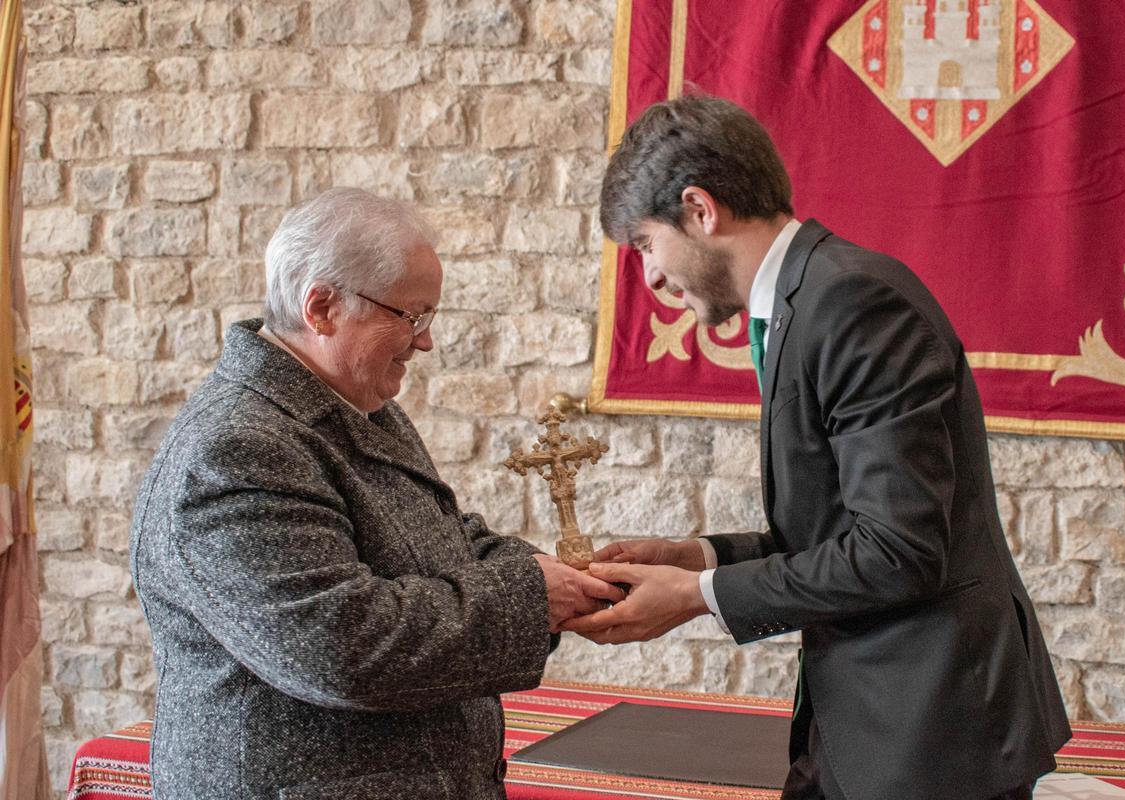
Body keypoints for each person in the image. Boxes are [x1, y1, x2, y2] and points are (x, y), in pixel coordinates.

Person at [562, 95, 1071, 800]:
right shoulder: (807, 300)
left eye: (647, 244)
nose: (648, 276)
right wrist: (701, 557)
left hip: (932, 735)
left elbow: (899, 552)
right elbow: (838, 533)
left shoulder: (854, 302)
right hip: (867, 718)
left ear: (700, 209)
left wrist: (698, 596)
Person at [130, 188, 623, 800]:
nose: (425, 341)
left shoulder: (353, 404)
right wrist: (532, 597)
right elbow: (343, 648)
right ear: (323, 308)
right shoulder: (236, 449)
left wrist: (542, 572)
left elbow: (443, 537)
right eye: (411, 315)